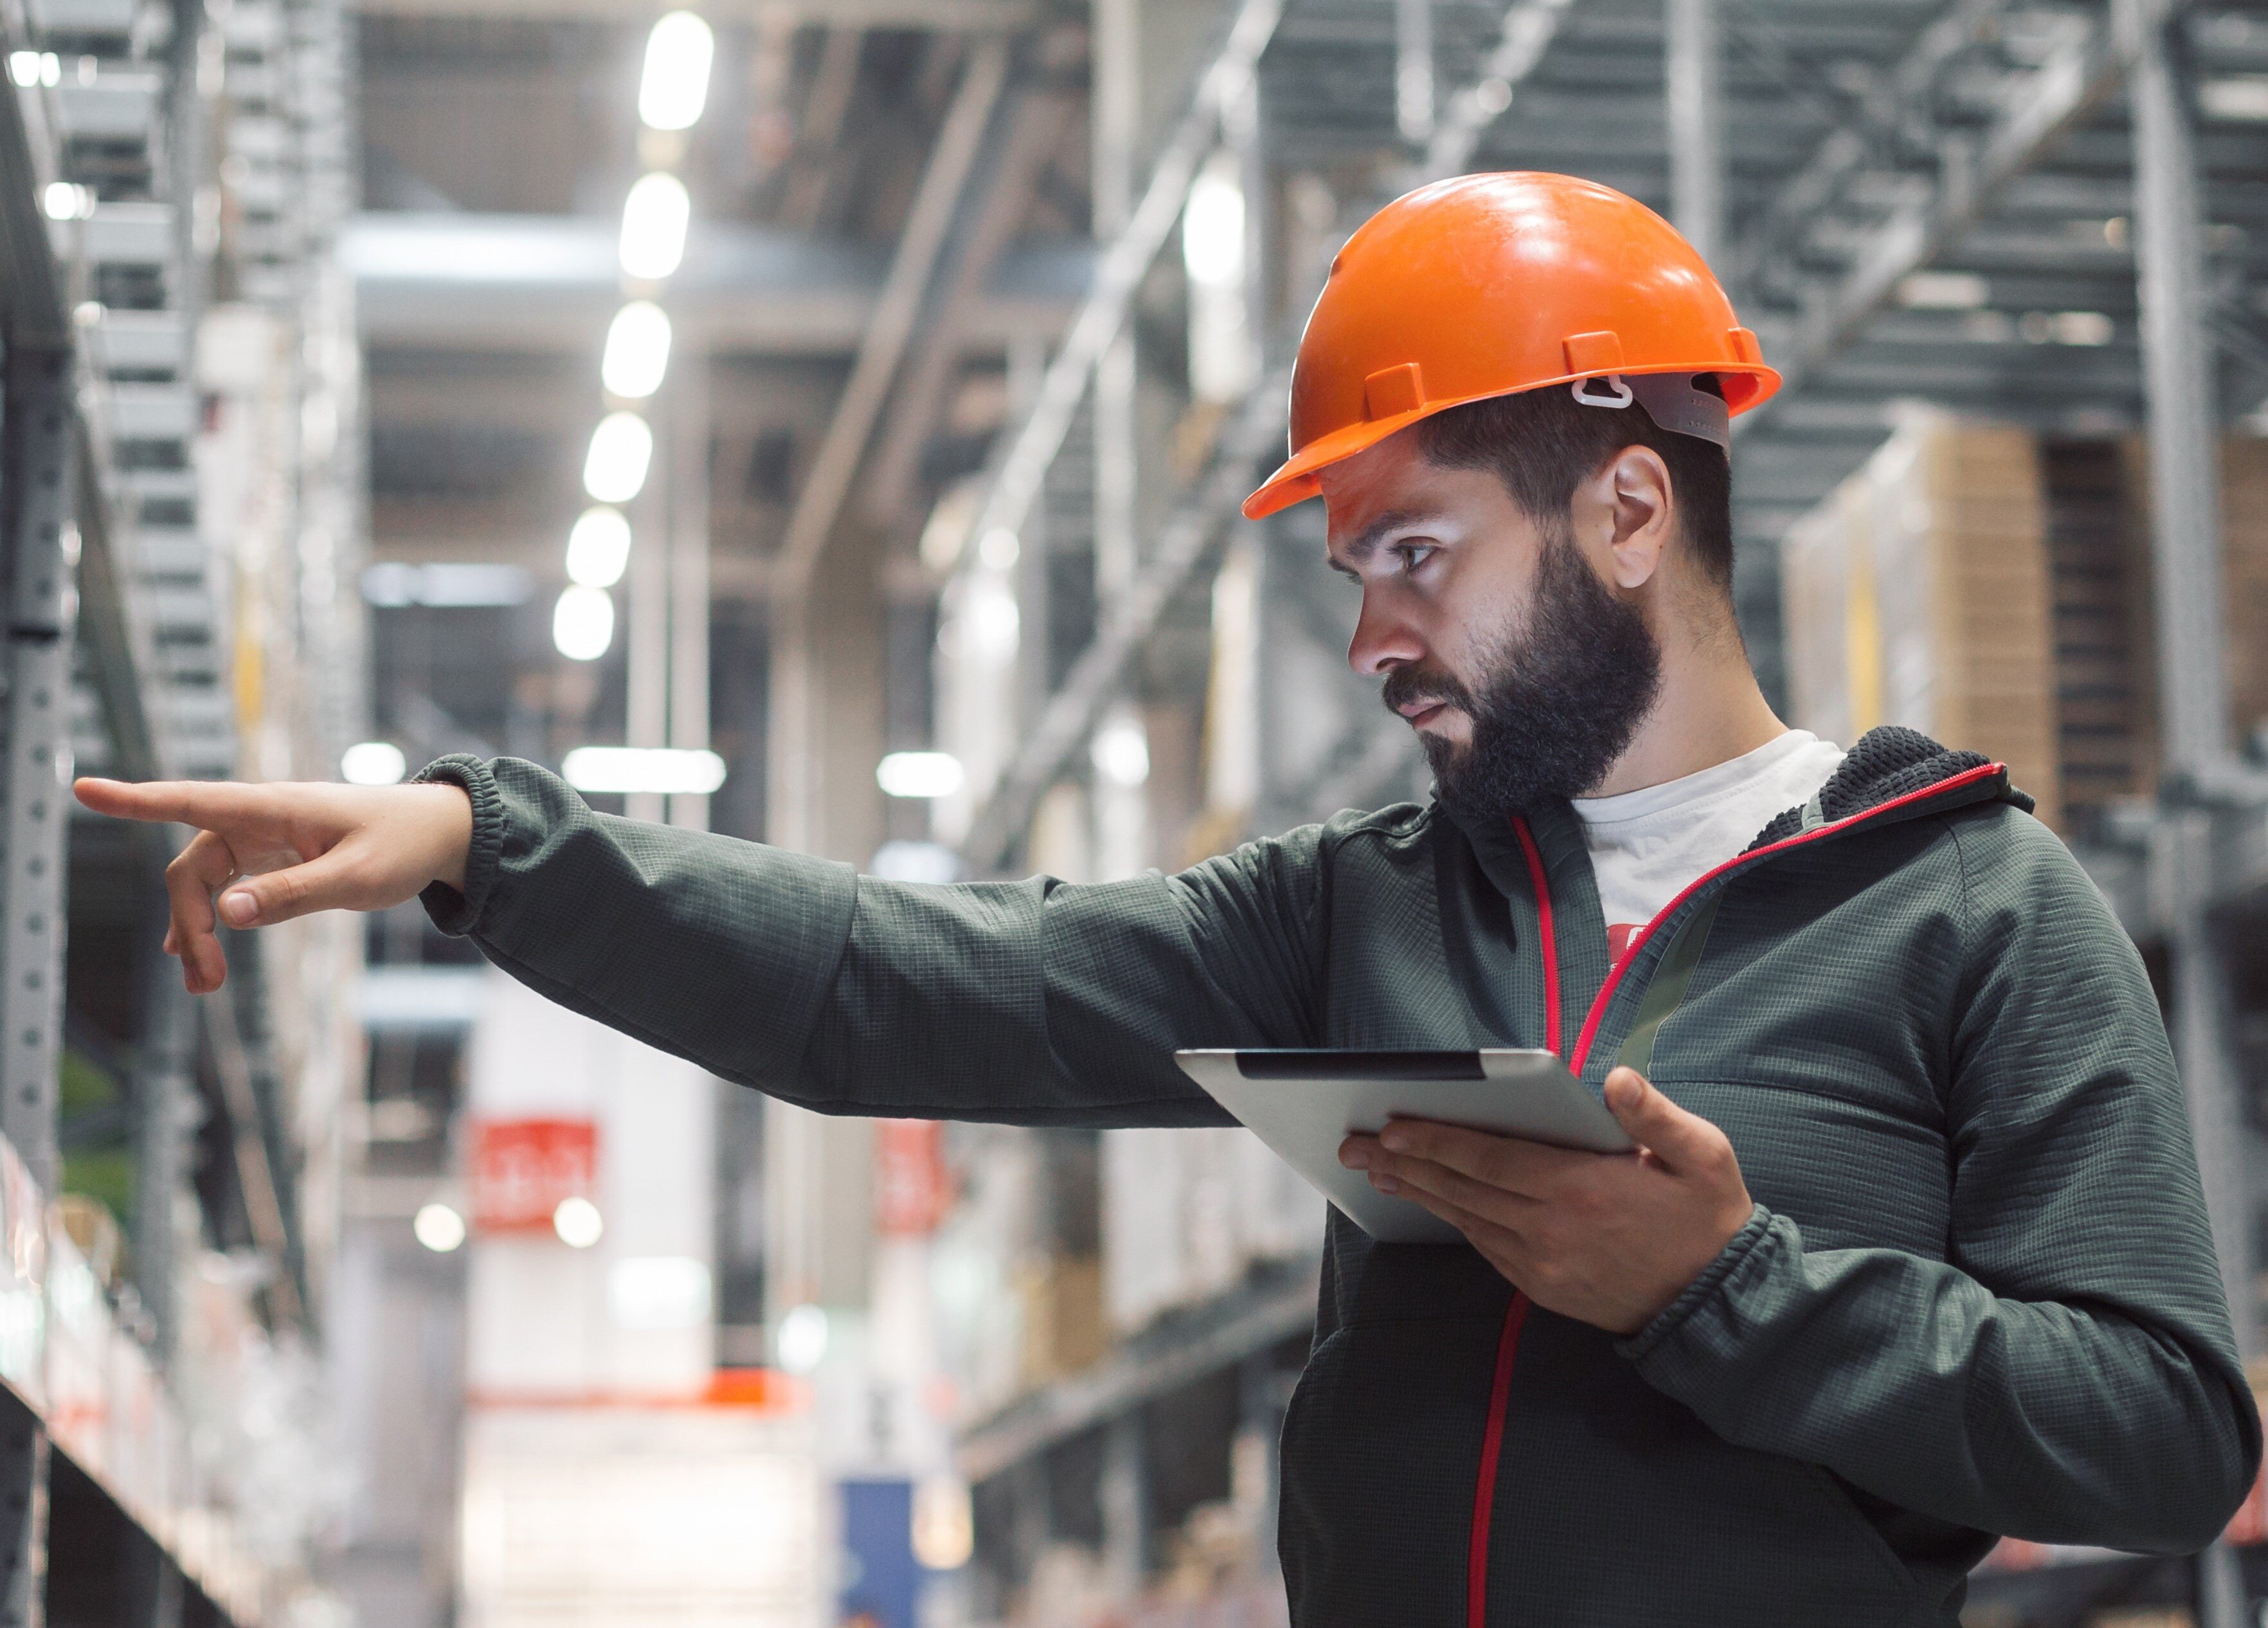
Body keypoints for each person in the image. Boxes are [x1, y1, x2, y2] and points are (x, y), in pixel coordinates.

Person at [79, 173, 2258, 1627]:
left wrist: (1724, 1284)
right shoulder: (1351, 911)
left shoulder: (1970, 901)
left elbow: (2167, 1431)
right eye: (1349, 575)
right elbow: (901, 982)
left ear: (1622, 508)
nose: (1371, 634)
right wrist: (493, 846)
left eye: (1418, 551)